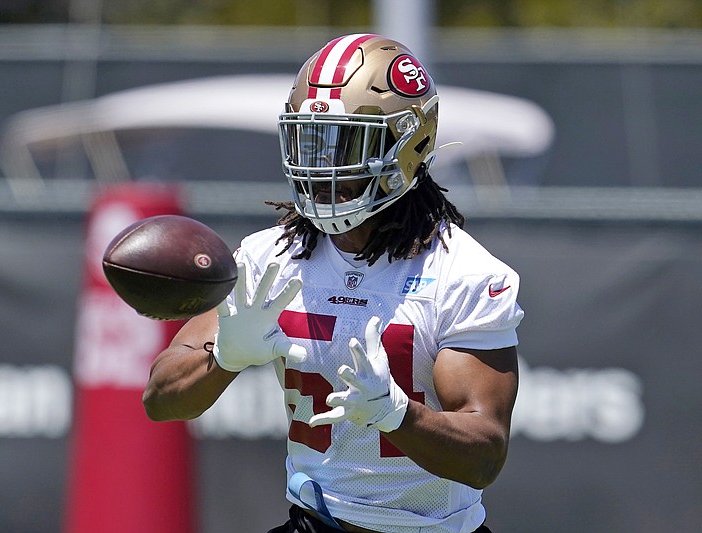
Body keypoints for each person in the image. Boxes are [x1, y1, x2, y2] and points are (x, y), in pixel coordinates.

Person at [143, 33, 524, 533]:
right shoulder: (271, 256)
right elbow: (161, 399)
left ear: (411, 143)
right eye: (311, 139)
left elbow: (483, 458)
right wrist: (222, 357)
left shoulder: (465, 275)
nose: (322, 165)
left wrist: (396, 415)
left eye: (346, 142)